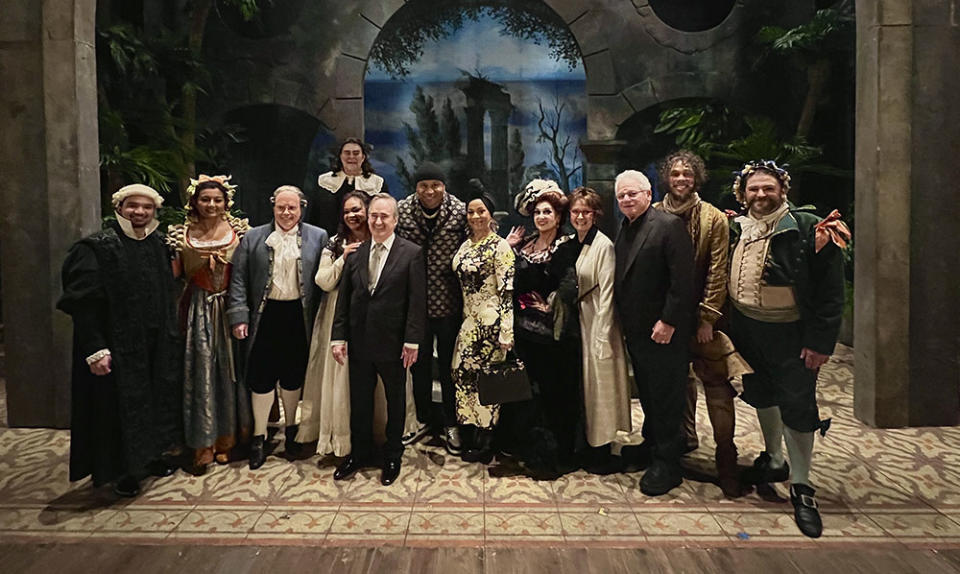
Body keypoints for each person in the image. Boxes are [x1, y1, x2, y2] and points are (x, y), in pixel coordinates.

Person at [727, 160, 848, 537]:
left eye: (768, 188)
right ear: (742, 193)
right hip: (746, 329)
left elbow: (831, 293)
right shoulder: (736, 227)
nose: (760, 195)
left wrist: (819, 342)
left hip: (792, 335)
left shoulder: (811, 229)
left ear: (783, 190)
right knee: (760, 393)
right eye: (753, 189)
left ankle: (801, 485)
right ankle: (773, 458)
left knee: (798, 405)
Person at [58, 184, 182, 497]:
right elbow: (83, 304)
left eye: (146, 207)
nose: (139, 212)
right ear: (119, 208)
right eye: (133, 206)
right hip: (118, 347)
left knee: (153, 401)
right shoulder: (97, 248)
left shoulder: (156, 243)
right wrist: (95, 350)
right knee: (117, 411)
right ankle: (122, 472)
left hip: (153, 345)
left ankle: (151, 457)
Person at [653, 151, 752, 497]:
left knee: (716, 384)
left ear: (697, 178)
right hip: (665, 319)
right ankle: (683, 438)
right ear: (667, 177)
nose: (681, 179)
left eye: (688, 174)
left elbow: (717, 270)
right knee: (675, 384)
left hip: (702, 319)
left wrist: (708, 317)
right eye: (675, 173)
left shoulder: (713, 219)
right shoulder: (654, 215)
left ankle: (727, 456)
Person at [227, 185, 327, 470]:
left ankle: (293, 429)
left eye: (292, 207)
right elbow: (238, 280)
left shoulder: (318, 237)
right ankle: (259, 435)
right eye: (281, 207)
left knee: (294, 375)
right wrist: (239, 317)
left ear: (301, 208)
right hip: (264, 316)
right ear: (273, 206)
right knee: (261, 376)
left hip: (299, 316)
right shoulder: (253, 237)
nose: (286, 212)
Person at [331, 193, 426, 486]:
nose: (378, 221)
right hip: (359, 342)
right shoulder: (355, 253)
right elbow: (344, 299)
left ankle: (393, 455)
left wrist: (412, 340)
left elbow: (416, 301)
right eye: (374, 215)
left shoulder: (411, 253)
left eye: (385, 216)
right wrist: (338, 337)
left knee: (395, 402)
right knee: (359, 401)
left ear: (395, 220)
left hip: (394, 343)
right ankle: (359, 453)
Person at [613, 170, 695, 496]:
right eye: (622, 196)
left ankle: (668, 463)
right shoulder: (626, 227)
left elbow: (683, 281)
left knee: (667, 396)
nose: (627, 199)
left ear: (648, 194)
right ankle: (652, 445)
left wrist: (669, 321)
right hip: (637, 331)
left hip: (664, 331)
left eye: (633, 193)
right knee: (649, 393)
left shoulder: (668, 225)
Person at [168, 175, 252, 475]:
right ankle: (202, 442)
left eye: (217, 200)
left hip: (229, 306)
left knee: (230, 373)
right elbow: (175, 277)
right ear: (195, 202)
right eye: (205, 199)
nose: (211, 205)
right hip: (198, 310)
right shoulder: (181, 235)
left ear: (226, 202)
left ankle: (228, 439)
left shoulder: (239, 232)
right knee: (201, 370)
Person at [505, 179, 581, 477]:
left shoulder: (566, 246)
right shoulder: (525, 245)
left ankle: (556, 454)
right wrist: (507, 248)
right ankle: (528, 448)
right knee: (528, 395)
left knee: (555, 396)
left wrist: (551, 305)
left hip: (554, 339)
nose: (541, 217)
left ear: (558, 216)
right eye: (537, 212)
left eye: (547, 212)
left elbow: (570, 286)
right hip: (525, 335)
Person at [396, 162, 467, 454]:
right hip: (413, 305)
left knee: (452, 368)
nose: (430, 191)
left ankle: (452, 423)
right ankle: (425, 419)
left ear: (444, 186)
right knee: (419, 367)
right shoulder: (401, 211)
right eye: (423, 185)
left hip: (451, 304)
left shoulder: (460, 211)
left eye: (435, 185)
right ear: (416, 187)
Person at [297, 191, 371, 455]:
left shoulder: (378, 240)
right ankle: (341, 438)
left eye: (358, 210)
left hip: (370, 317)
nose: (353, 215)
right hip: (337, 315)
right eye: (348, 211)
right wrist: (344, 257)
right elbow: (323, 280)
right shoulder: (334, 243)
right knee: (341, 377)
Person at [566, 187, 632, 470]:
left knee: (600, 383)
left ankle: (602, 447)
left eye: (586, 212)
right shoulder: (573, 241)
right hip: (578, 319)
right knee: (585, 384)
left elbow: (607, 292)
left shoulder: (603, 245)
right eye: (575, 212)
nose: (580, 217)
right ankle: (587, 440)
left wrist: (603, 333)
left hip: (598, 319)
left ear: (596, 215)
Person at [450, 193, 515, 463]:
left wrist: (506, 332)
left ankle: (487, 438)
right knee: (463, 375)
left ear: (491, 214)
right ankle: (470, 430)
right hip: (468, 322)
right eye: (471, 212)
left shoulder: (500, 247)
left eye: (481, 211)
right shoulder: (465, 246)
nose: (476, 216)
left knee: (488, 382)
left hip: (491, 324)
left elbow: (507, 291)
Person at [313, 138, 386, 233]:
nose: (351, 157)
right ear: (340, 156)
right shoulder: (324, 181)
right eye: (347, 153)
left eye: (356, 153)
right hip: (329, 239)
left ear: (363, 157)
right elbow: (314, 215)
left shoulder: (377, 183)